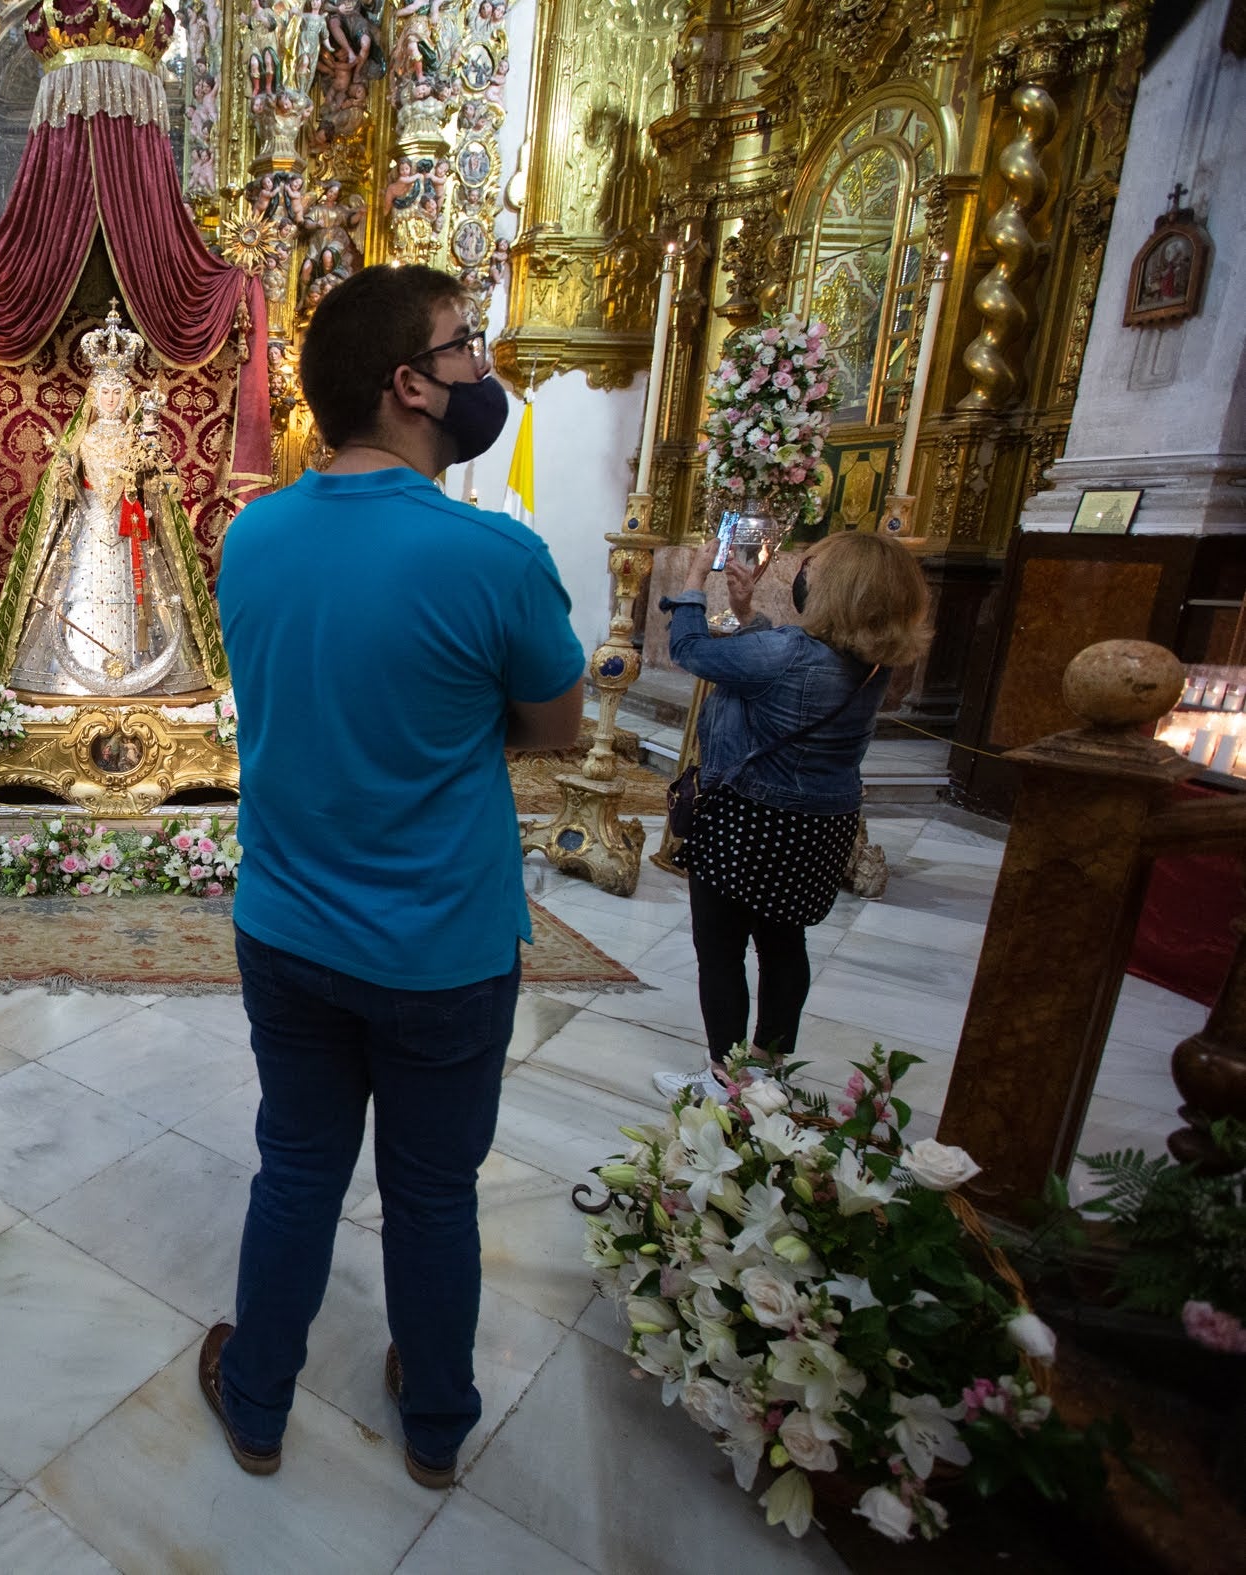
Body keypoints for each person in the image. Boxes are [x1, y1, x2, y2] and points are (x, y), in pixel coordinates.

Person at [206, 265, 586, 1489]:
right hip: (442, 946)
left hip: (289, 928)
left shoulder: (251, 535)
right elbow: (556, 729)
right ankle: (434, 1427)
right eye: (464, 348)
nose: (484, 369)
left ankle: (257, 1401)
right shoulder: (494, 557)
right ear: (409, 385)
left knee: (298, 1170)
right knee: (432, 1196)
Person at [650, 529, 929, 1102]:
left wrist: (693, 580)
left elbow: (691, 651)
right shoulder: (873, 664)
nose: (804, 575)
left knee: (721, 951)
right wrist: (749, 612)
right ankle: (769, 1067)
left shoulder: (789, 654)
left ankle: (725, 1082)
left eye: (813, 568)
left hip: (751, 817)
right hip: (820, 825)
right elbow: (778, 676)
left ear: (836, 588)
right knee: (784, 945)